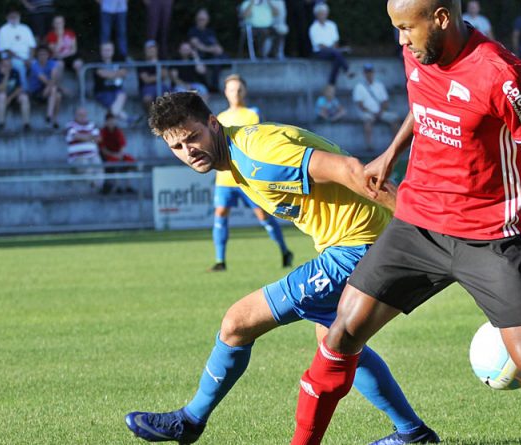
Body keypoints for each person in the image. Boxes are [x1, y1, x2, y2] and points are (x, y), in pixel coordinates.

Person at [289, 2, 521, 445]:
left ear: (440, 18)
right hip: (417, 223)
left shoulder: (504, 75)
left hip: (488, 236)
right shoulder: (420, 50)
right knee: (342, 333)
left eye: (406, 28)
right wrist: (392, 152)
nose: (400, 39)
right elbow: (424, 99)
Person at [124, 91, 440, 445]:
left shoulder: (259, 154)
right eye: (177, 147)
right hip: (357, 244)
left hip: (358, 247)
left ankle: (190, 420)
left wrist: (428, 227)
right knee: (338, 341)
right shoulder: (241, 157)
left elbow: (354, 171)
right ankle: (412, 432)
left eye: (192, 137)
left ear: (213, 123)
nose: (188, 151)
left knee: (237, 323)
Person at [210, 73, 293, 271]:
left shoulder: (253, 114)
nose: (236, 93)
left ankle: (284, 250)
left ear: (245, 91)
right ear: (225, 93)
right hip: (225, 178)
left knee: (263, 216)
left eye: (239, 89)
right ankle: (220, 261)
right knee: (220, 213)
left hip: (247, 176)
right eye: (232, 89)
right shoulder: (220, 117)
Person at [353, 63, 400, 152]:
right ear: (364, 73)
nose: (369, 74)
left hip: (380, 112)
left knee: (395, 118)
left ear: (373, 73)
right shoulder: (359, 87)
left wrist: (380, 112)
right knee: (367, 120)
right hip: (367, 113)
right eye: (367, 72)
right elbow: (360, 105)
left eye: (370, 72)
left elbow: (385, 101)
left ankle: (395, 145)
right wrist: (373, 113)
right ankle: (369, 146)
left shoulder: (379, 85)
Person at [309, 3, 353, 86]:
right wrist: (333, 50)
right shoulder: (313, 28)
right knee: (337, 53)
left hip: (333, 51)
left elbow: (335, 42)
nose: (323, 15)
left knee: (337, 56)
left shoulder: (332, 25)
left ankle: (331, 83)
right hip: (320, 52)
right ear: (317, 15)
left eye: (324, 13)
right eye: (321, 13)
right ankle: (347, 70)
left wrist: (334, 49)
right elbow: (319, 45)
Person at [65, 106, 104, 191]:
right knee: (85, 163)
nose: (83, 117)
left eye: (84, 115)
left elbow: (98, 139)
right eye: (80, 115)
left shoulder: (92, 125)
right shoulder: (70, 125)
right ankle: (95, 185)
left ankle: (100, 187)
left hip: (93, 155)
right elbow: (76, 136)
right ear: (75, 115)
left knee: (99, 164)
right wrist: (90, 137)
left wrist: (85, 137)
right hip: (77, 157)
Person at [99, 111, 136, 194]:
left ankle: (129, 186)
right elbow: (103, 150)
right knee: (115, 163)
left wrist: (120, 154)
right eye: (109, 121)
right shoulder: (103, 132)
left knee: (129, 162)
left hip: (119, 154)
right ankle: (117, 187)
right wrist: (115, 155)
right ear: (106, 122)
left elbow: (122, 146)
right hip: (109, 155)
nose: (111, 123)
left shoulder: (118, 131)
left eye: (113, 120)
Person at [0, 10, 36, 90]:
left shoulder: (25, 28)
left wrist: (30, 59)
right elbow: (5, 49)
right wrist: (23, 60)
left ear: (19, 17)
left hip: (27, 57)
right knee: (20, 66)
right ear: (7, 18)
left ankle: (34, 90)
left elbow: (32, 46)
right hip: (11, 58)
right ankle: (24, 91)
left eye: (16, 16)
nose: (14, 18)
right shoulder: (3, 30)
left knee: (36, 65)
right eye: (12, 16)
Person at [187, 8, 225, 91]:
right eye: (200, 19)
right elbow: (197, 46)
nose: (201, 21)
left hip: (210, 57)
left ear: (207, 20)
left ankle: (215, 87)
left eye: (203, 19)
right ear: (196, 19)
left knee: (219, 60)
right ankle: (207, 87)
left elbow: (218, 47)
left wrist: (216, 49)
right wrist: (211, 49)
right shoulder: (193, 31)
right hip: (197, 58)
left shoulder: (210, 31)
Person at [27, 45, 62, 129]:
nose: (42, 56)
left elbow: (54, 77)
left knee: (58, 96)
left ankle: (50, 117)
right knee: (54, 90)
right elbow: (43, 79)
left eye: (44, 54)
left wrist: (49, 87)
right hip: (36, 92)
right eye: (40, 54)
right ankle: (52, 118)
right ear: (37, 56)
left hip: (48, 91)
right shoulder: (34, 65)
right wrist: (50, 86)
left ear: (48, 55)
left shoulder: (52, 63)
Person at [93, 42, 129, 122]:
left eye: (109, 50)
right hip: (102, 92)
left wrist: (109, 73)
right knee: (114, 100)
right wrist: (117, 73)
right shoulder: (97, 62)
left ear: (113, 51)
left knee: (122, 94)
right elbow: (102, 74)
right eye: (105, 50)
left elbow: (124, 73)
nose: (107, 52)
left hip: (117, 91)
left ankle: (126, 118)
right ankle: (127, 119)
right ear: (101, 51)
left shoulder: (118, 60)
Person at [0, 57, 30, 132]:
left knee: (24, 98)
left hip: (14, 95)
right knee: (2, 96)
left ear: (11, 66)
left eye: (8, 65)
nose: (6, 67)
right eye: (4, 65)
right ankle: (1, 123)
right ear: (1, 65)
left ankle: (26, 124)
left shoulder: (15, 72)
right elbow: (1, 89)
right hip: (2, 95)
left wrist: (10, 98)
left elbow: (20, 88)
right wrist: (6, 76)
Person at [137, 40, 170, 114]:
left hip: (161, 85)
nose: (151, 50)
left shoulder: (162, 60)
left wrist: (152, 77)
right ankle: (153, 117)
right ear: (145, 50)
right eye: (149, 48)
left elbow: (164, 75)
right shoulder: (141, 62)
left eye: (153, 48)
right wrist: (159, 76)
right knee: (147, 99)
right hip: (146, 87)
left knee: (170, 98)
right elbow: (146, 80)